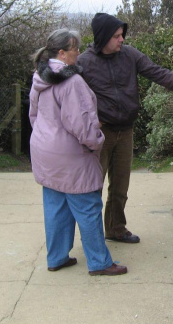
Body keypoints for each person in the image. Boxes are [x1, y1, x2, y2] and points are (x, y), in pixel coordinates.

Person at [77, 13, 173, 244]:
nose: (122, 40)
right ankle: (92, 239)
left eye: (122, 35)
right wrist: (88, 121)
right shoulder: (84, 62)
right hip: (100, 135)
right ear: (103, 38)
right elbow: (69, 96)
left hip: (126, 131)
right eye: (117, 36)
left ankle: (116, 229)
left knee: (120, 187)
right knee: (93, 189)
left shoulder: (129, 55)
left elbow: (159, 73)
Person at [29, 28, 127, 276]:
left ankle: (57, 257)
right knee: (87, 206)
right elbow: (82, 124)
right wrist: (97, 141)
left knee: (56, 206)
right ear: (62, 53)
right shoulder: (72, 82)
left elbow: (34, 115)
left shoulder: (39, 77)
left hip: (44, 151)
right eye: (75, 49)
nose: (79, 53)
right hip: (71, 156)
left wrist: (46, 137)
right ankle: (99, 262)